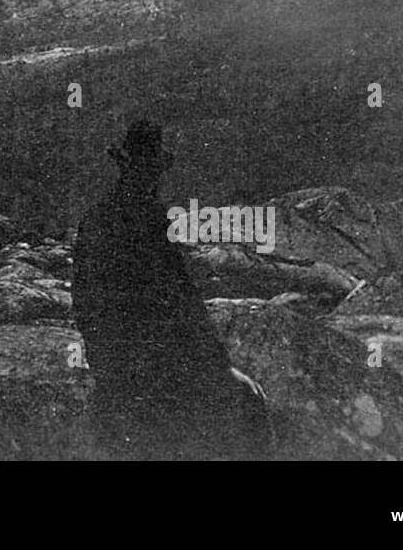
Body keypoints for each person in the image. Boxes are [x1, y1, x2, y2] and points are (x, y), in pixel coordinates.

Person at [73, 119, 267, 459]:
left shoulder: (95, 218)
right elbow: (181, 303)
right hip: (160, 370)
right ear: (153, 172)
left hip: (116, 368)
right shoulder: (153, 220)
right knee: (247, 407)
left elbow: (85, 303)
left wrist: (105, 365)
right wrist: (221, 367)